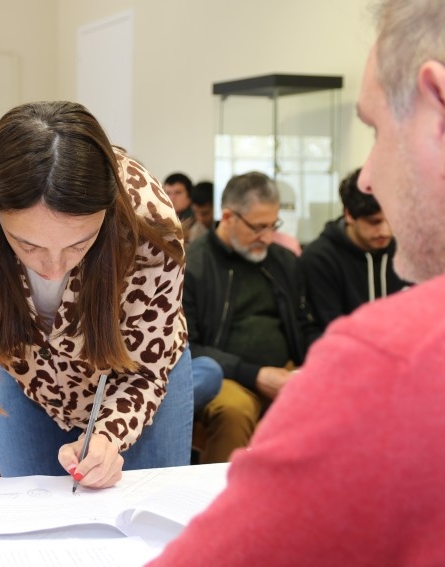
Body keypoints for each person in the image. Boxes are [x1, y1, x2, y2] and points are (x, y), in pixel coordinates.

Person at [151, 1, 445, 564]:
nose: (368, 178)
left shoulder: (389, 355)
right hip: (238, 372)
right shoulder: (195, 262)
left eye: (376, 129)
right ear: (230, 219)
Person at [0, 101, 193, 489]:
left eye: (79, 245)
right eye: (27, 245)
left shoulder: (148, 220)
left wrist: (107, 436)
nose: (53, 269)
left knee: (149, 524)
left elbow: (147, 367)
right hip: (21, 375)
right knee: (33, 528)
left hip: (132, 377)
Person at [184, 171, 320, 464]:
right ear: (229, 216)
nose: (267, 237)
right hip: (224, 374)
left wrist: (322, 363)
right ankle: (223, 504)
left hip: (283, 367)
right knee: (234, 411)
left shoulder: (282, 261)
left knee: (323, 397)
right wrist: (254, 374)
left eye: (273, 226)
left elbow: (303, 324)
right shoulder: (194, 264)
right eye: (259, 227)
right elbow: (188, 347)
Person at [299, 167, 410, 331]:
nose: (386, 231)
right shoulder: (319, 260)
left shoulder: (406, 252)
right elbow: (328, 331)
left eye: (392, 219)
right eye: (374, 222)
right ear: (349, 215)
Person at [163, 172, 195, 241]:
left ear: (190, 195)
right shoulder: (161, 220)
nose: (172, 198)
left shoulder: (198, 220)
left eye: (178, 193)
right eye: (168, 193)